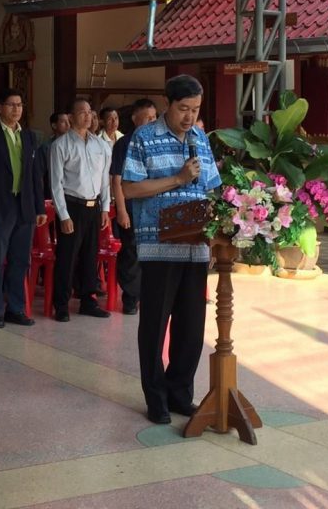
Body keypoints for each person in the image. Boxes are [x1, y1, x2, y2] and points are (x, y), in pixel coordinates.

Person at [122, 75, 220, 425]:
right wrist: (178, 179)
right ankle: (156, 398)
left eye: (196, 109)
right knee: (155, 325)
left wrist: (217, 232)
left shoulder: (200, 139)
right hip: (159, 246)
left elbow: (212, 187)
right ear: (168, 103)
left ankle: (180, 393)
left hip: (195, 245)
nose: (190, 116)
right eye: (183, 109)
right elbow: (130, 189)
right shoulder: (144, 137)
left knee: (192, 328)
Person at [0, 88, 46, 329]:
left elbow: (35, 175)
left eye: (20, 105)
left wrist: (39, 207)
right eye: (11, 105)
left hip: (24, 206)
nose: (16, 109)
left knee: (20, 260)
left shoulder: (28, 136)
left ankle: (15, 308)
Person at [50, 98, 112, 322]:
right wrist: (63, 215)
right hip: (72, 206)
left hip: (93, 207)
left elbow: (104, 180)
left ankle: (88, 301)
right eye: (82, 112)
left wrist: (105, 208)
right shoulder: (61, 145)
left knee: (90, 255)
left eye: (90, 112)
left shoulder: (101, 145)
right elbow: (56, 184)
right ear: (70, 117)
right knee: (67, 258)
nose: (88, 116)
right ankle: (61, 304)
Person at [111, 98, 158, 315]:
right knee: (132, 253)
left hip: (154, 208)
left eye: (154, 117)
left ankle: (149, 295)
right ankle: (130, 298)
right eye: (147, 117)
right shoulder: (124, 143)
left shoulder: (158, 142)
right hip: (131, 207)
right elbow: (117, 180)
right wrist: (121, 210)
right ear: (134, 118)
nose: (152, 121)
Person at [39, 111, 71, 200]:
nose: (68, 125)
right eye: (63, 122)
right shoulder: (46, 147)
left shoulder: (74, 145)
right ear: (54, 125)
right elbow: (40, 175)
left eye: (69, 121)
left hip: (72, 194)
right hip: (52, 193)